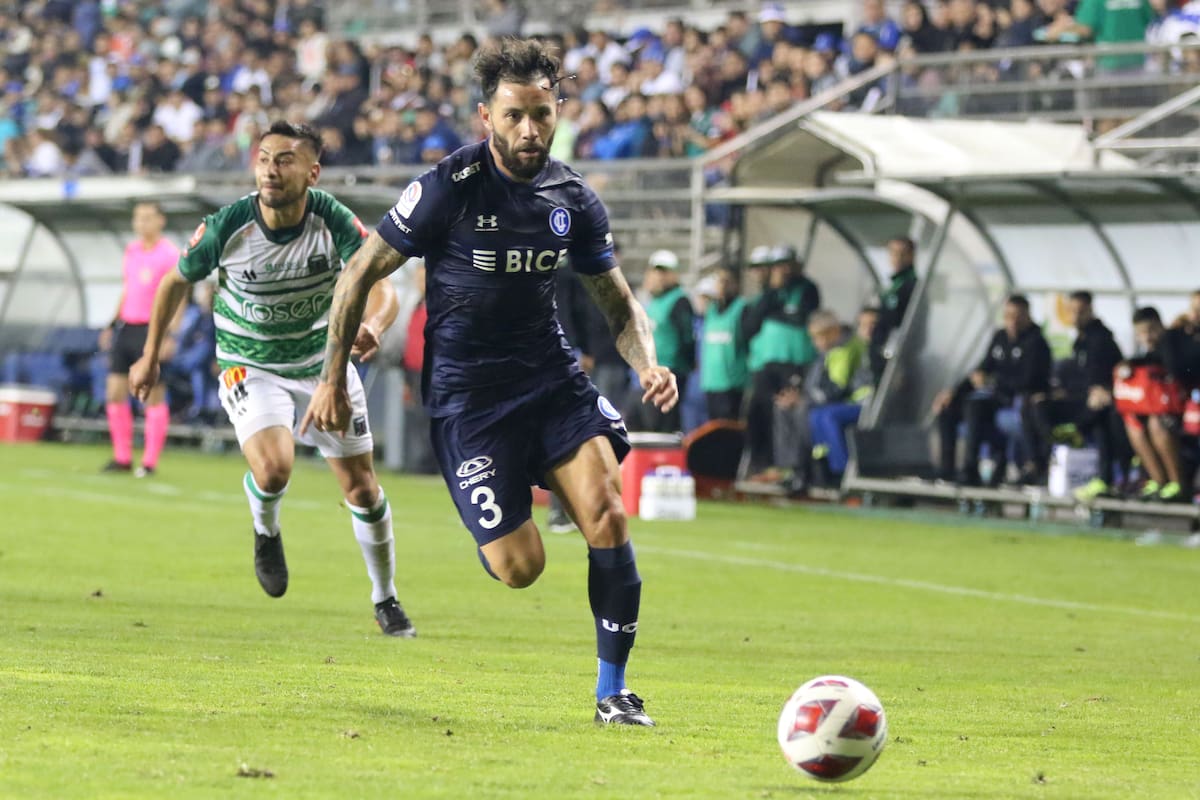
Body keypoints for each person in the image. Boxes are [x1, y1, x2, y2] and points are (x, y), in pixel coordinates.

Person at [302, 39, 678, 727]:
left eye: (542, 113)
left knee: (610, 516)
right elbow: (360, 272)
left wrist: (646, 361)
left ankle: (613, 691)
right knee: (519, 567)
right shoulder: (448, 186)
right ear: (486, 117)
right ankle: (528, 492)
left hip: (550, 378)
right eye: (514, 116)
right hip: (468, 399)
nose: (529, 129)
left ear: (558, 110)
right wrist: (333, 377)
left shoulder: (573, 199)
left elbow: (619, 303)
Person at [129, 121, 416, 638]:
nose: (270, 168)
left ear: (312, 172)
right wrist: (150, 355)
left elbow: (380, 286)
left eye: (285, 159)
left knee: (363, 490)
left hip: (323, 366)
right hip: (250, 363)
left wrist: (373, 325)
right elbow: (176, 281)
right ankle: (266, 530)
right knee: (275, 468)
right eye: (263, 158)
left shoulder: (333, 220)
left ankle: (386, 597)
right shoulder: (228, 225)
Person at [933, 295, 1052, 486]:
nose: (1012, 321)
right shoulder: (1000, 337)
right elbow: (982, 369)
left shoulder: (1036, 343)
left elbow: (1028, 381)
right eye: (1008, 316)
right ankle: (946, 469)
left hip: (1014, 399)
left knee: (974, 406)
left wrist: (993, 382)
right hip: (994, 396)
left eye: (1017, 316)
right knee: (949, 407)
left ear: (1027, 316)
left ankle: (970, 470)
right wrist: (953, 392)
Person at [100, 200, 180, 477]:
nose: (141, 223)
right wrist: (112, 323)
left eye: (147, 218)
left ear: (161, 220)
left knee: (152, 393)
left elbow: (178, 296)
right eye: (138, 218)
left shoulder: (169, 254)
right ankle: (122, 457)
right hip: (127, 327)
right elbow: (127, 289)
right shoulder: (131, 251)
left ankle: (149, 462)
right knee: (114, 391)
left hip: (153, 329)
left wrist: (170, 333)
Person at [1023, 291, 1126, 499]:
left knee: (1101, 414)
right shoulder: (1080, 340)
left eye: (1081, 311)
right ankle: (1038, 465)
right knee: (1034, 406)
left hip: (1099, 401)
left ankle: (1103, 476)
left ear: (1090, 311)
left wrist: (1103, 388)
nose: (1076, 316)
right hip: (1079, 399)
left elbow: (1107, 374)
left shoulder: (1101, 339)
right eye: (1072, 311)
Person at [743, 244, 821, 479]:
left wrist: (779, 311)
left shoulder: (807, 289)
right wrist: (773, 293)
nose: (783, 270)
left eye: (786, 264)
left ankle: (792, 465)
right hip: (767, 364)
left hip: (795, 361)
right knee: (759, 411)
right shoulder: (768, 293)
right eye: (778, 266)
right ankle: (763, 463)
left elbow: (802, 315)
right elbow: (751, 325)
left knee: (788, 410)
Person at [1121, 307, 1199, 502]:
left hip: (1188, 410)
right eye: (1141, 333)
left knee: (1158, 423)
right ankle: (1159, 481)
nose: (1147, 337)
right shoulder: (1155, 350)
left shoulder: (1175, 340)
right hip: (1170, 409)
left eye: (1150, 330)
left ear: (1160, 325)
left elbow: (1178, 369)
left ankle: (1178, 484)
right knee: (1133, 422)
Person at [626, 249, 694, 433]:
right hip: (648, 374)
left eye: (664, 272)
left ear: (674, 275)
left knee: (661, 429)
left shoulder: (680, 301)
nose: (659, 276)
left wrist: (681, 370)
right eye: (656, 271)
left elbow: (687, 339)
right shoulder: (653, 302)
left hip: (668, 374)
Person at [699, 266, 749, 421]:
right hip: (711, 380)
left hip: (732, 382)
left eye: (725, 281)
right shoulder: (711, 310)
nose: (721, 285)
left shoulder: (742, 308)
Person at [869, 236, 917, 386]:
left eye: (902, 253)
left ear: (911, 256)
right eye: (893, 253)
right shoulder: (894, 283)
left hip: (894, 354)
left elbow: (906, 323)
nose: (897, 258)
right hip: (881, 350)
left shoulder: (912, 285)